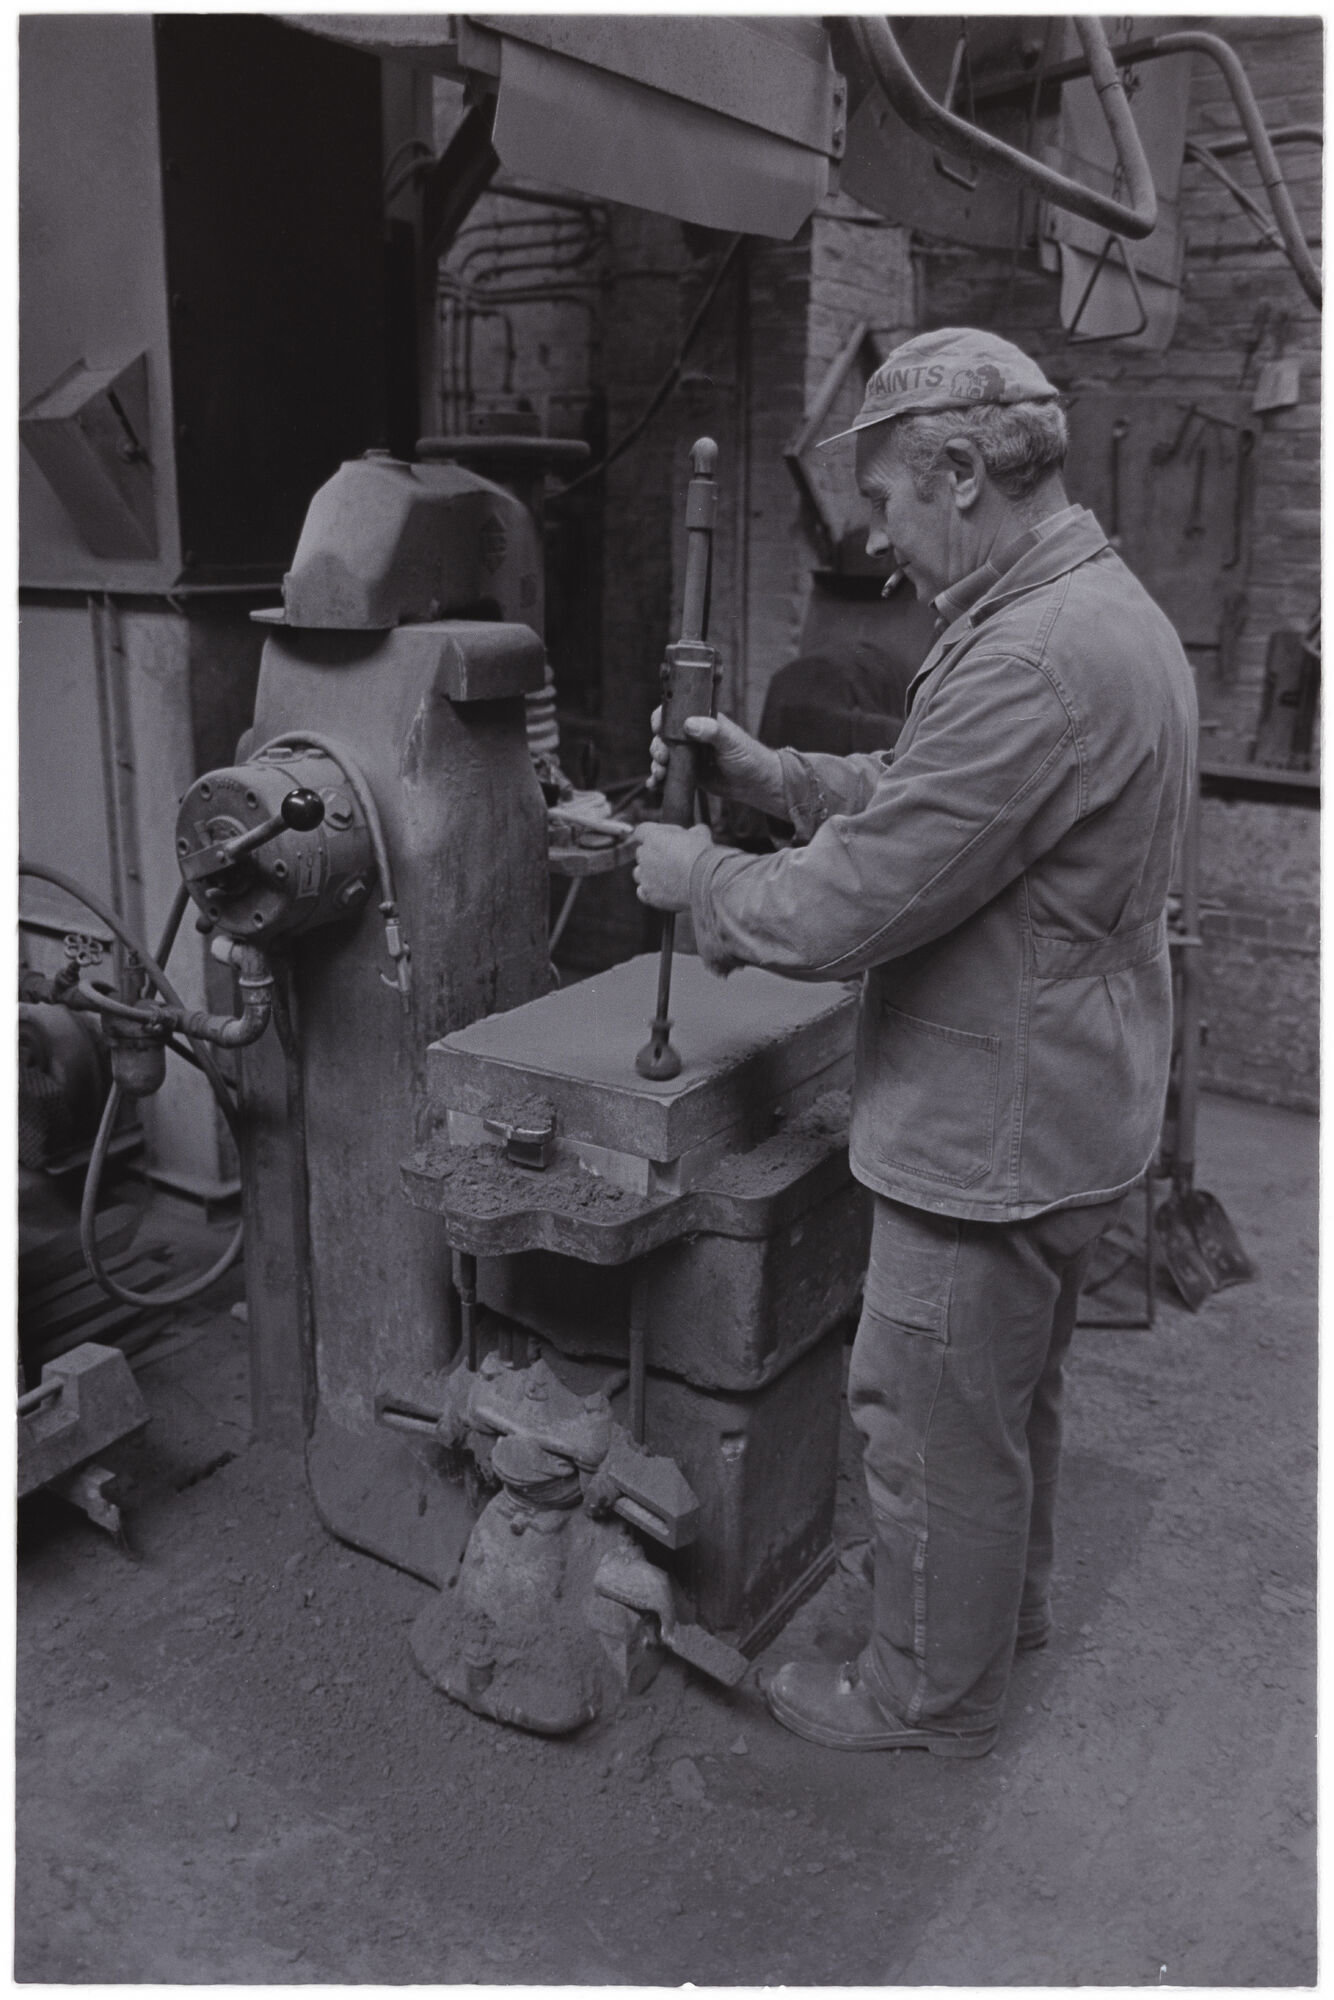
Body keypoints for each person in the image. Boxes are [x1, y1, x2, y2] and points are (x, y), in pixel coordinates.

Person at [633, 327, 1197, 1759]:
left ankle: (921, 1696)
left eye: (887, 502)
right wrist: (782, 775)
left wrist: (693, 875)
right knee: (1002, 1406)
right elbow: (932, 794)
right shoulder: (1080, 608)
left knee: (926, 1420)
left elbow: (854, 903)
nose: (878, 540)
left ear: (960, 470)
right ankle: (995, 1627)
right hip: (1073, 1093)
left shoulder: (1036, 656)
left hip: (992, 1123)